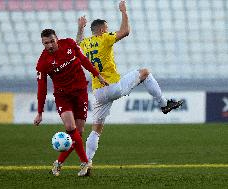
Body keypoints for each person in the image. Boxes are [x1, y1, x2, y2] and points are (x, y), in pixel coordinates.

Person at [76, 0, 183, 170]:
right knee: (145, 72)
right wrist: (124, 12)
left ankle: (86, 163)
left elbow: (77, 44)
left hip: (98, 92)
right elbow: (125, 31)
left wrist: (81, 27)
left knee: (96, 130)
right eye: (107, 27)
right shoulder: (104, 38)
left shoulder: (85, 44)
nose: (109, 29)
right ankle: (164, 104)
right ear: (102, 30)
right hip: (113, 86)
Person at [33, 29, 108, 176]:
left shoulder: (69, 44)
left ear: (57, 39)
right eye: (45, 43)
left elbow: (84, 60)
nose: (49, 45)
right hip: (63, 96)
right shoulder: (43, 63)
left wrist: (97, 75)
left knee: (77, 134)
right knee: (70, 127)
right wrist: (39, 112)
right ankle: (85, 162)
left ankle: (58, 164)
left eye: (51, 41)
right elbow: (41, 88)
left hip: (80, 93)